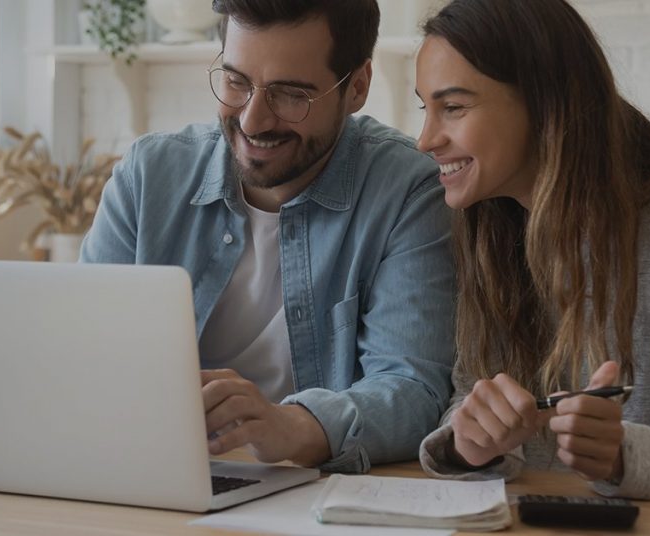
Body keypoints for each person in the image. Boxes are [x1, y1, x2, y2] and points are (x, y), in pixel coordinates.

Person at [413, 0, 650, 500]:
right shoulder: (490, 227)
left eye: (454, 107)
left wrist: (624, 456)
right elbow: (473, 398)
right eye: (426, 108)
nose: (425, 140)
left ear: (544, 102)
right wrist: (471, 443)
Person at [80, 0, 455, 474]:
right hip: (154, 474)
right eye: (236, 82)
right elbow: (82, 355)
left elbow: (413, 389)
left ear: (357, 86)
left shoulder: (407, 190)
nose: (253, 121)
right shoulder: (148, 176)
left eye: (291, 94)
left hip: (315, 493)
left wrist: (291, 426)